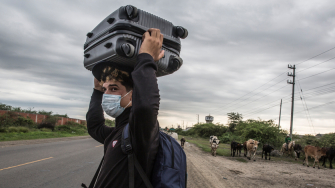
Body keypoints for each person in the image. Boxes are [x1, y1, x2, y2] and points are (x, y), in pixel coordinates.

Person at [86, 28, 164, 188]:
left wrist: (146, 58)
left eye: (113, 89)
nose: (106, 94)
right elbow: (95, 127)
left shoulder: (140, 132)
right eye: (105, 89)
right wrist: (96, 92)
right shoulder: (120, 132)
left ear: (133, 94)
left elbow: (146, 107)